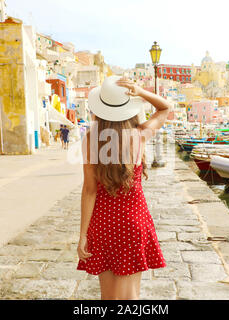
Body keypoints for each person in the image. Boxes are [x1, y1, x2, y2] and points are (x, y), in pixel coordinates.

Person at [76, 75, 171, 300]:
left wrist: (82, 235)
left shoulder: (90, 140)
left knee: (109, 296)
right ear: (129, 108)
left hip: (102, 224)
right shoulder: (139, 135)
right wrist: (140, 91)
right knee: (129, 296)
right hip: (132, 222)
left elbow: (89, 190)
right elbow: (165, 108)